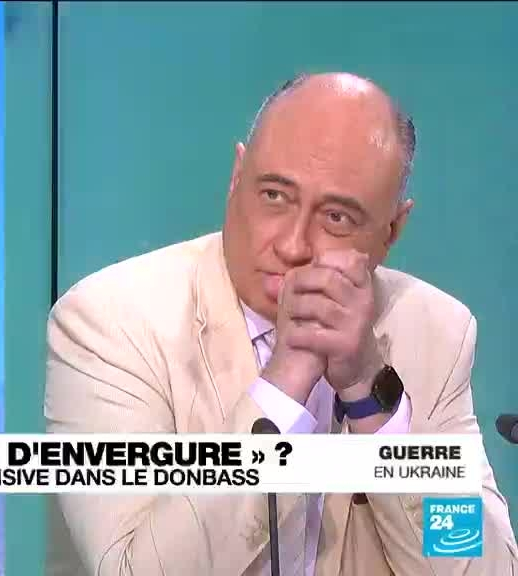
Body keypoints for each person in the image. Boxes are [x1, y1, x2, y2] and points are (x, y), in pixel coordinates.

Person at [44, 72, 518, 575]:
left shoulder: (436, 331)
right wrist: (282, 387)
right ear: (236, 177)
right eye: (274, 196)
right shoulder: (110, 323)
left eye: (336, 218)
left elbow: (480, 568)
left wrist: (372, 398)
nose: (292, 246)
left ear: (391, 231)